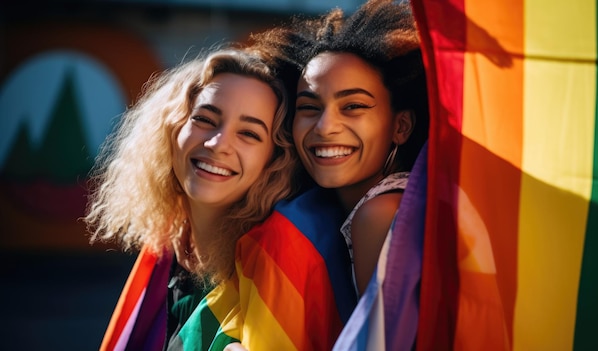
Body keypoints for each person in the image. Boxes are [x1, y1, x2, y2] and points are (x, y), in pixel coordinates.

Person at [182, 0, 429, 349]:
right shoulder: (364, 205)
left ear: (400, 126)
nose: (326, 127)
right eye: (309, 108)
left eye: (353, 107)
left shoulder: (380, 213)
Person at [84, 47, 300, 350]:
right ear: (173, 129)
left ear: (275, 160)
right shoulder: (164, 250)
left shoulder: (273, 274)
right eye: (205, 119)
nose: (217, 143)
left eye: (249, 134)